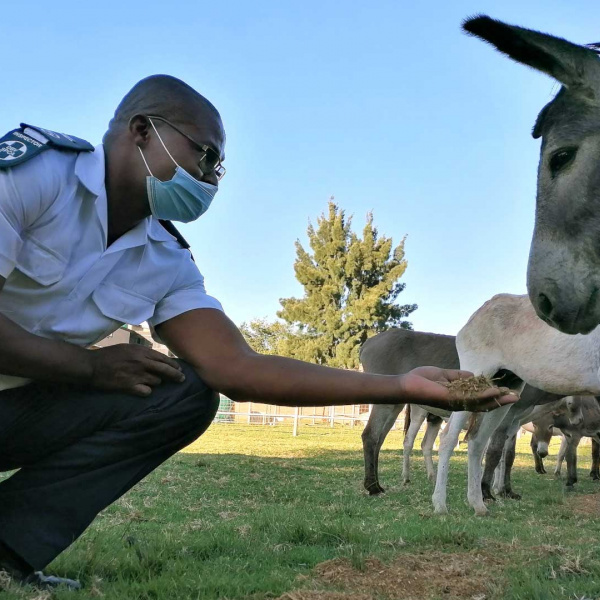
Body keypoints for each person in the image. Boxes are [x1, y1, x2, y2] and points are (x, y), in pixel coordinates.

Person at [0, 75, 517, 590]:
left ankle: (8, 548)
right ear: (142, 131)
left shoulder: (164, 258)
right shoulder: (35, 175)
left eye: (219, 168)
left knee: (184, 393)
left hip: (21, 409)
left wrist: (402, 387)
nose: (211, 179)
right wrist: (89, 367)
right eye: (205, 156)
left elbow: (239, 369)